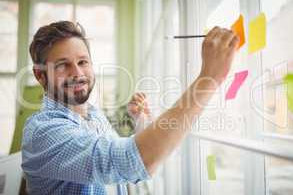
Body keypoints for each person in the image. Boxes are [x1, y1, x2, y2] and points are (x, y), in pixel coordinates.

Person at [21, 21, 239, 194]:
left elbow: (130, 169)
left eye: (83, 62)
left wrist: (142, 126)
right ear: (40, 75)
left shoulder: (93, 116)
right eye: (63, 65)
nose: (77, 73)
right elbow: (132, 161)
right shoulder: (43, 131)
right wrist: (209, 79)